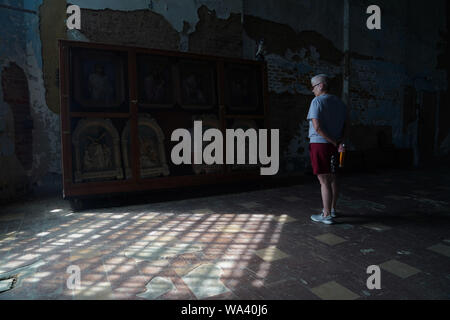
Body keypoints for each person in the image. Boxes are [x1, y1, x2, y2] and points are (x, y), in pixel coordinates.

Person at [307, 74, 348, 225]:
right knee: (333, 178)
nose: (313, 91)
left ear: (321, 85)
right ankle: (332, 209)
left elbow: (317, 127)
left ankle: (326, 215)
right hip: (335, 145)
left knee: (324, 180)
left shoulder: (317, 101)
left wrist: (332, 142)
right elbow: (345, 126)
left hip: (321, 144)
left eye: (314, 86)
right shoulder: (340, 103)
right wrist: (339, 143)